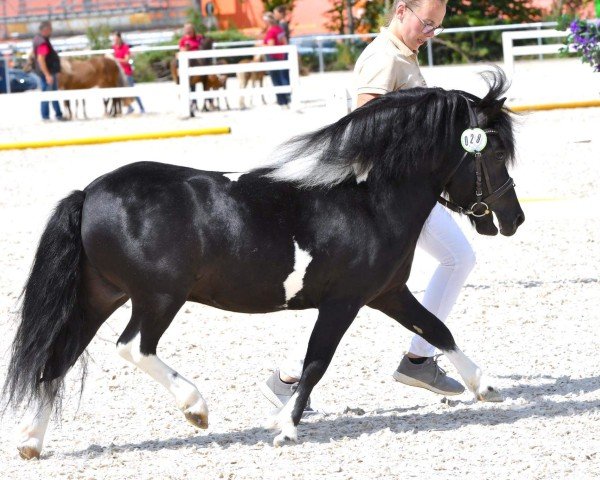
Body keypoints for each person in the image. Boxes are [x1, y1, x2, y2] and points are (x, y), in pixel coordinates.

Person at [262, 0, 473, 410]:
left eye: (436, 27)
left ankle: (290, 376)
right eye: (426, 23)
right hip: (391, 195)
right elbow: (366, 128)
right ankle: (419, 358)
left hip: (404, 193)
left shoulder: (403, 53)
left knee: (358, 291)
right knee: (453, 260)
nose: (429, 33)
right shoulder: (383, 58)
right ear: (400, 11)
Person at [32, 21, 65, 121]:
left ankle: (55, 114)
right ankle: (49, 115)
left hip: (46, 72)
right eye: (50, 29)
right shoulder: (42, 42)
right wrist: (47, 75)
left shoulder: (38, 39)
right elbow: (41, 59)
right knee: (48, 94)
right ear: (45, 30)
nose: (51, 31)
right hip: (47, 73)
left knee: (49, 93)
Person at [112, 32, 145, 114]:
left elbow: (126, 60)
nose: (115, 41)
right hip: (119, 73)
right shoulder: (114, 47)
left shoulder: (125, 47)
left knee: (132, 90)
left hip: (126, 72)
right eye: (114, 39)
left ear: (119, 39)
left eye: (116, 39)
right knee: (122, 92)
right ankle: (130, 107)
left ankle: (142, 107)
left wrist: (116, 60)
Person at [262, 12, 290, 108]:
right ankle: (287, 99)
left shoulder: (271, 31)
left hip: (273, 57)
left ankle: (281, 101)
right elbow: (284, 42)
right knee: (282, 78)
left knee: (276, 79)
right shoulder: (279, 29)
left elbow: (271, 45)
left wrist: (260, 45)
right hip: (281, 56)